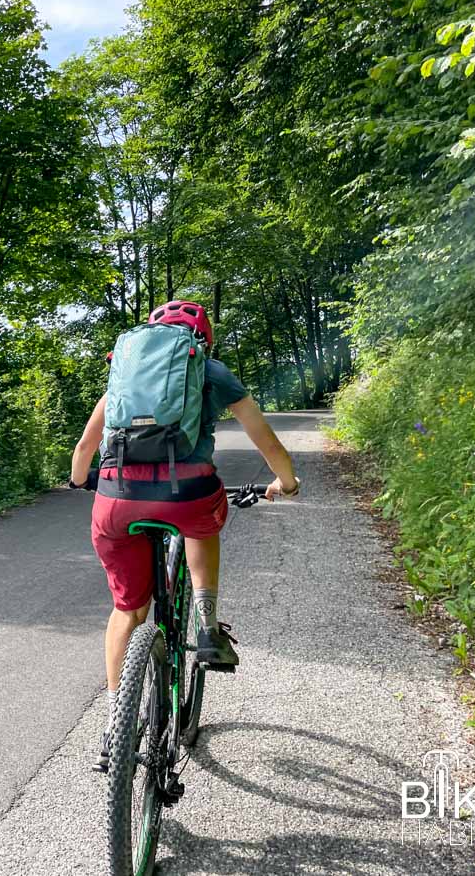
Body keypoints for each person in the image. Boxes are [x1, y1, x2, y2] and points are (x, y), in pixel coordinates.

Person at [68, 300, 300, 773]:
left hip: (117, 499)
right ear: (201, 340)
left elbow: (84, 449)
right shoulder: (211, 370)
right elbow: (265, 438)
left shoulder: (127, 374)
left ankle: (116, 723)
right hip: (189, 493)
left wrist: (80, 481)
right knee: (204, 521)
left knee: (128, 609)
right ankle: (208, 625)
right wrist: (287, 482)